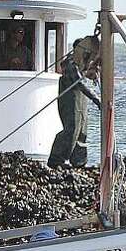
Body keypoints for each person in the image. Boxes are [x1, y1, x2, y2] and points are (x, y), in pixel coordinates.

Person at [48, 36, 101, 168]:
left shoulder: (81, 63)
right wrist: (96, 99)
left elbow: (86, 75)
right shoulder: (70, 64)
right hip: (69, 99)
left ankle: (79, 160)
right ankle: (56, 159)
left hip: (80, 100)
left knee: (82, 129)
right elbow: (80, 83)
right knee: (71, 129)